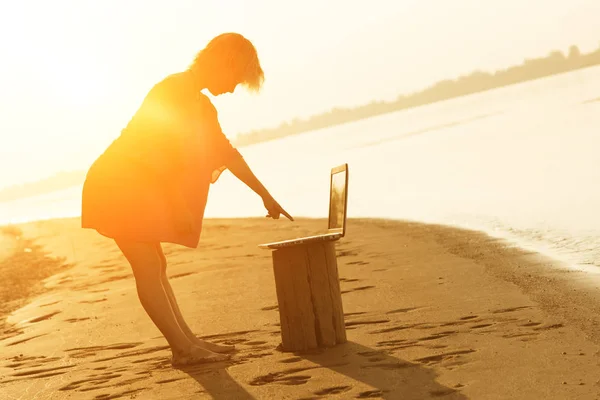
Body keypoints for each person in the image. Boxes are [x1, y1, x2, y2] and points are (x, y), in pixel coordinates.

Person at [81, 33, 293, 366]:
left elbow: (226, 153)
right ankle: (181, 349)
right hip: (118, 183)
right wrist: (178, 207)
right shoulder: (173, 90)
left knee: (157, 264)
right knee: (148, 265)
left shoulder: (201, 104)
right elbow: (152, 151)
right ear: (226, 63)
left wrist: (266, 196)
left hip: (135, 184)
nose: (236, 88)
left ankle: (188, 340)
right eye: (237, 79)